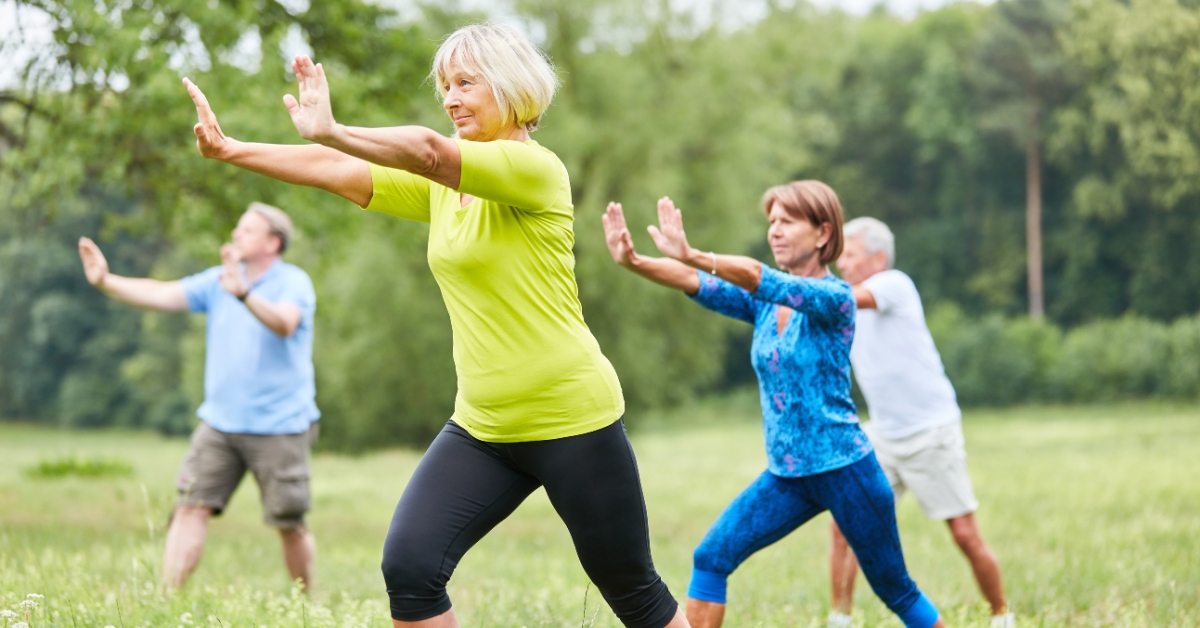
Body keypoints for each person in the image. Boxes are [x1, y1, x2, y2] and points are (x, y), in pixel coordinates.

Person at [182, 23, 690, 628]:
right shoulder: (445, 190)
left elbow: (427, 151)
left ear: (511, 87)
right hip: (484, 425)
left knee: (633, 593)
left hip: (570, 417)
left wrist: (335, 128)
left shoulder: (535, 169)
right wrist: (231, 149)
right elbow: (334, 168)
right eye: (446, 86)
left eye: (466, 83)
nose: (451, 98)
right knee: (410, 568)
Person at [602, 184, 945, 628]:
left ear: (823, 233)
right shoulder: (764, 305)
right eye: (772, 222)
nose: (775, 231)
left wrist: (693, 253)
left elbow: (757, 276)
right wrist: (634, 261)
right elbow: (696, 282)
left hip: (846, 471)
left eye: (788, 221)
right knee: (711, 557)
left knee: (895, 590)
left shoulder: (836, 299)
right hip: (788, 476)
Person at [77, 202, 319, 591]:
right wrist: (106, 281)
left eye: (247, 230)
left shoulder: (294, 282)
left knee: (289, 523)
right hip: (220, 424)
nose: (236, 234)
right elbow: (161, 293)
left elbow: (284, 323)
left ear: (273, 242)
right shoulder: (218, 281)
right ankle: (166, 601)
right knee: (190, 507)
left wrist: (244, 294)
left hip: (280, 425)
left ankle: (305, 606)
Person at [830, 216, 1013, 628]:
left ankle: (1002, 615)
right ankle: (839, 619)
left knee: (964, 534)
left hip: (931, 432)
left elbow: (840, 298)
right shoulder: (842, 302)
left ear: (878, 258)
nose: (842, 263)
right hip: (882, 435)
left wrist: (793, 285)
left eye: (850, 254)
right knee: (844, 527)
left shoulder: (894, 284)